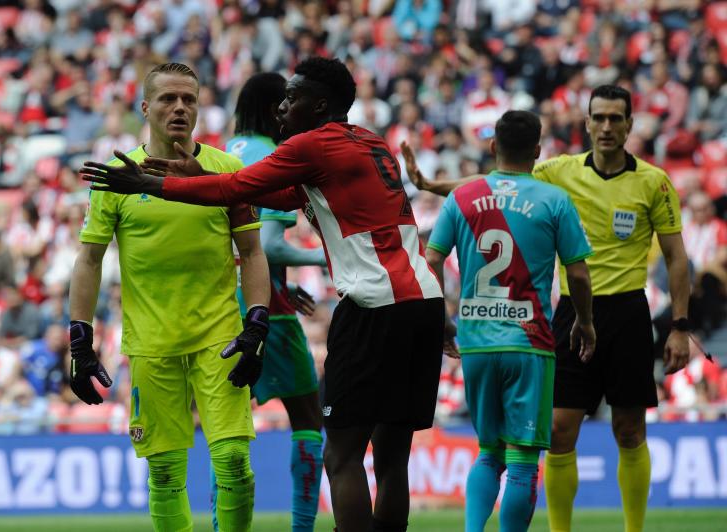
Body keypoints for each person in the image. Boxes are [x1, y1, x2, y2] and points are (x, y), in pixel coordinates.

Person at [80, 56, 446, 532]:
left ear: (318, 106)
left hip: (374, 306)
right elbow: (281, 196)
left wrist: (149, 184)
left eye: (291, 100)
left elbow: (236, 185)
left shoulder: (314, 145)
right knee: (392, 457)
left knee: (342, 455)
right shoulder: (370, 143)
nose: (281, 110)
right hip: (425, 303)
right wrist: (195, 175)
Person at [402, 84, 691, 532]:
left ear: (631, 125)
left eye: (617, 118)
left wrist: (680, 325)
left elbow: (676, 257)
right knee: (557, 434)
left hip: (629, 311)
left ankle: (634, 528)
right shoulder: (558, 174)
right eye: (600, 118)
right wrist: (429, 185)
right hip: (572, 315)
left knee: (630, 430)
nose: (607, 126)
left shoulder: (654, 182)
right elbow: (496, 183)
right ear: (587, 123)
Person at [69, 62, 270, 532]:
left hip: (219, 337)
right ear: (145, 107)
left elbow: (253, 252)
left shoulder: (226, 170)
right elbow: (89, 260)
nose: (179, 108)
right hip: (150, 343)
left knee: (234, 461)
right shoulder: (118, 178)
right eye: (167, 99)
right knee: (163, 474)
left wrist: (257, 323)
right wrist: (80, 338)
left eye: (189, 99)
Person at [424, 110, 595, 532]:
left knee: (488, 453)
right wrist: (586, 321)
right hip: (529, 343)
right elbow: (577, 272)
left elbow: (431, 260)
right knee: (521, 461)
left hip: (477, 343)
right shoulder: (553, 200)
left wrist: (443, 318)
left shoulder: (461, 198)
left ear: (492, 147)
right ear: (538, 151)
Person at [211, 71, 327, 532]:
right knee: (307, 417)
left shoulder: (223, 153)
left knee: (228, 427)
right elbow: (271, 245)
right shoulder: (276, 155)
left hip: (219, 305)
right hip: (266, 312)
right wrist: (328, 256)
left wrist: (280, 279)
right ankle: (302, 527)